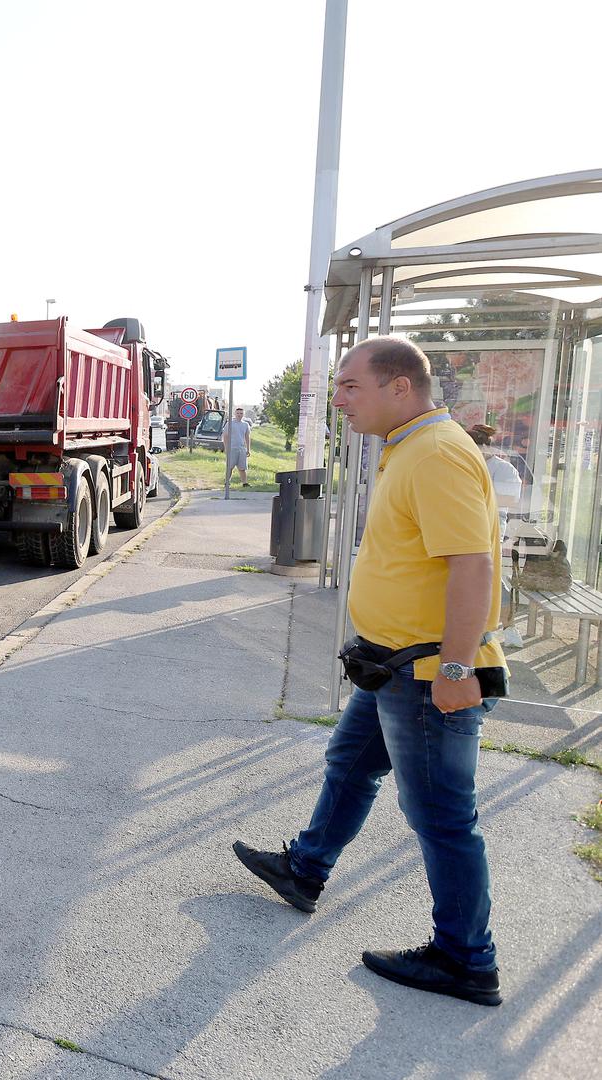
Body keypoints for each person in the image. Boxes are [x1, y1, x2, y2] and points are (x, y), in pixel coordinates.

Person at [233, 335, 509, 1007]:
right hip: (393, 668)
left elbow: (469, 565)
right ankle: (304, 868)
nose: (339, 400)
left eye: (350, 386)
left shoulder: (437, 453)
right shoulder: (410, 447)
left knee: (440, 815)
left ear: (399, 388)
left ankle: (465, 959)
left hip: (425, 675)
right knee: (351, 763)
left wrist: (452, 666)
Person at [222, 406, 252, 487]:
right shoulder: (230, 424)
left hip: (242, 448)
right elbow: (225, 436)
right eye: (238, 413)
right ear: (235, 414)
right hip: (232, 448)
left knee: (242, 467)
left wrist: (248, 449)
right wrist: (226, 448)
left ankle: (245, 483)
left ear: (243, 414)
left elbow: (247, 437)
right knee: (230, 466)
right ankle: (227, 482)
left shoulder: (245, 425)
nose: (239, 415)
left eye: (241, 413)